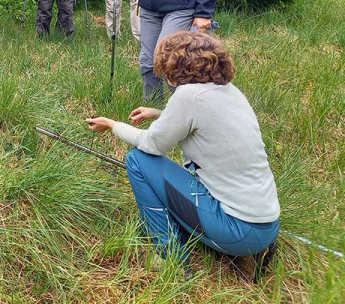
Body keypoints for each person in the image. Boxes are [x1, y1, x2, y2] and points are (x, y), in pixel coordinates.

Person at [86, 32, 280, 275]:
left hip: (236, 231)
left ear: (175, 68)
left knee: (137, 159)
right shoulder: (229, 91)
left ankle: (171, 256)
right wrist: (160, 113)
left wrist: (113, 125)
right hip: (266, 226)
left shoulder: (188, 96)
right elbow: (203, 121)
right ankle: (232, 248)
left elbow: (151, 144)